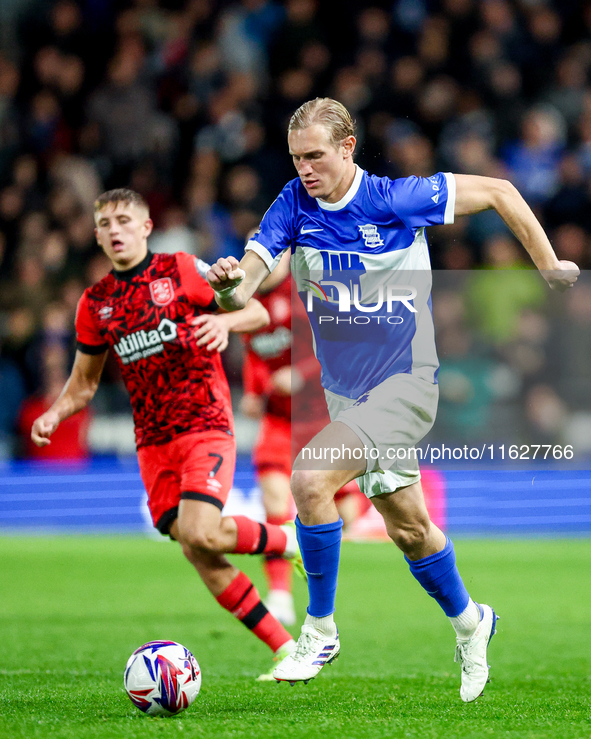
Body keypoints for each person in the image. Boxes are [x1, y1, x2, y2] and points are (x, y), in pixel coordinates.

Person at [206, 98, 580, 701]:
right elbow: (249, 276)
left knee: (309, 481)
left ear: (347, 149)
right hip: (345, 396)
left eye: (316, 156)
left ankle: (319, 630)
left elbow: (502, 192)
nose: (305, 169)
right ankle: (471, 621)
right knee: (410, 528)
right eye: (297, 157)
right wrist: (227, 291)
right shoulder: (293, 204)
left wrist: (548, 263)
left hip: (406, 382)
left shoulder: (395, 199)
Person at [30, 188, 305, 678]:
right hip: (153, 444)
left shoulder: (180, 269)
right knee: (198, 548)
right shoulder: (95, 304)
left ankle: (288, 541)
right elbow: (84, 384)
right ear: (96, 235)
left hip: (205, 422)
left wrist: (228, 325)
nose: (115, 230)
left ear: (146, 226)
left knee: (203, 531)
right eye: (106, 223)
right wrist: (54, 413)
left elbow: (256, 312)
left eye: (124, 220)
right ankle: (284, 647)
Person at [241, 251, 370, 634]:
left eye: (264, 255)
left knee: (345, 516)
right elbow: (253, 355)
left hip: (321, 417)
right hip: (279, 422)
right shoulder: (249, 304)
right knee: (274, 501)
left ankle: (350, 500)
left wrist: (299, 373)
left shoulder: (307, 294)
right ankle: (279, 595)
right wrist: (252, 391)